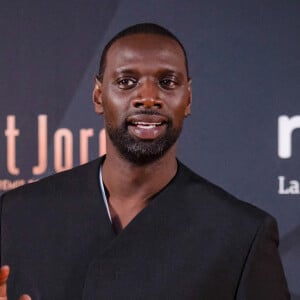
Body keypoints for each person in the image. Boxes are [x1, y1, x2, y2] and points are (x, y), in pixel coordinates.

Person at [0, 23, 290, 299]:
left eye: (167, 82)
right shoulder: (17, 215)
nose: (148, 98)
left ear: (187, 99)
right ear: (99, 96)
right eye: (126, 82)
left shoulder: (242, 235)